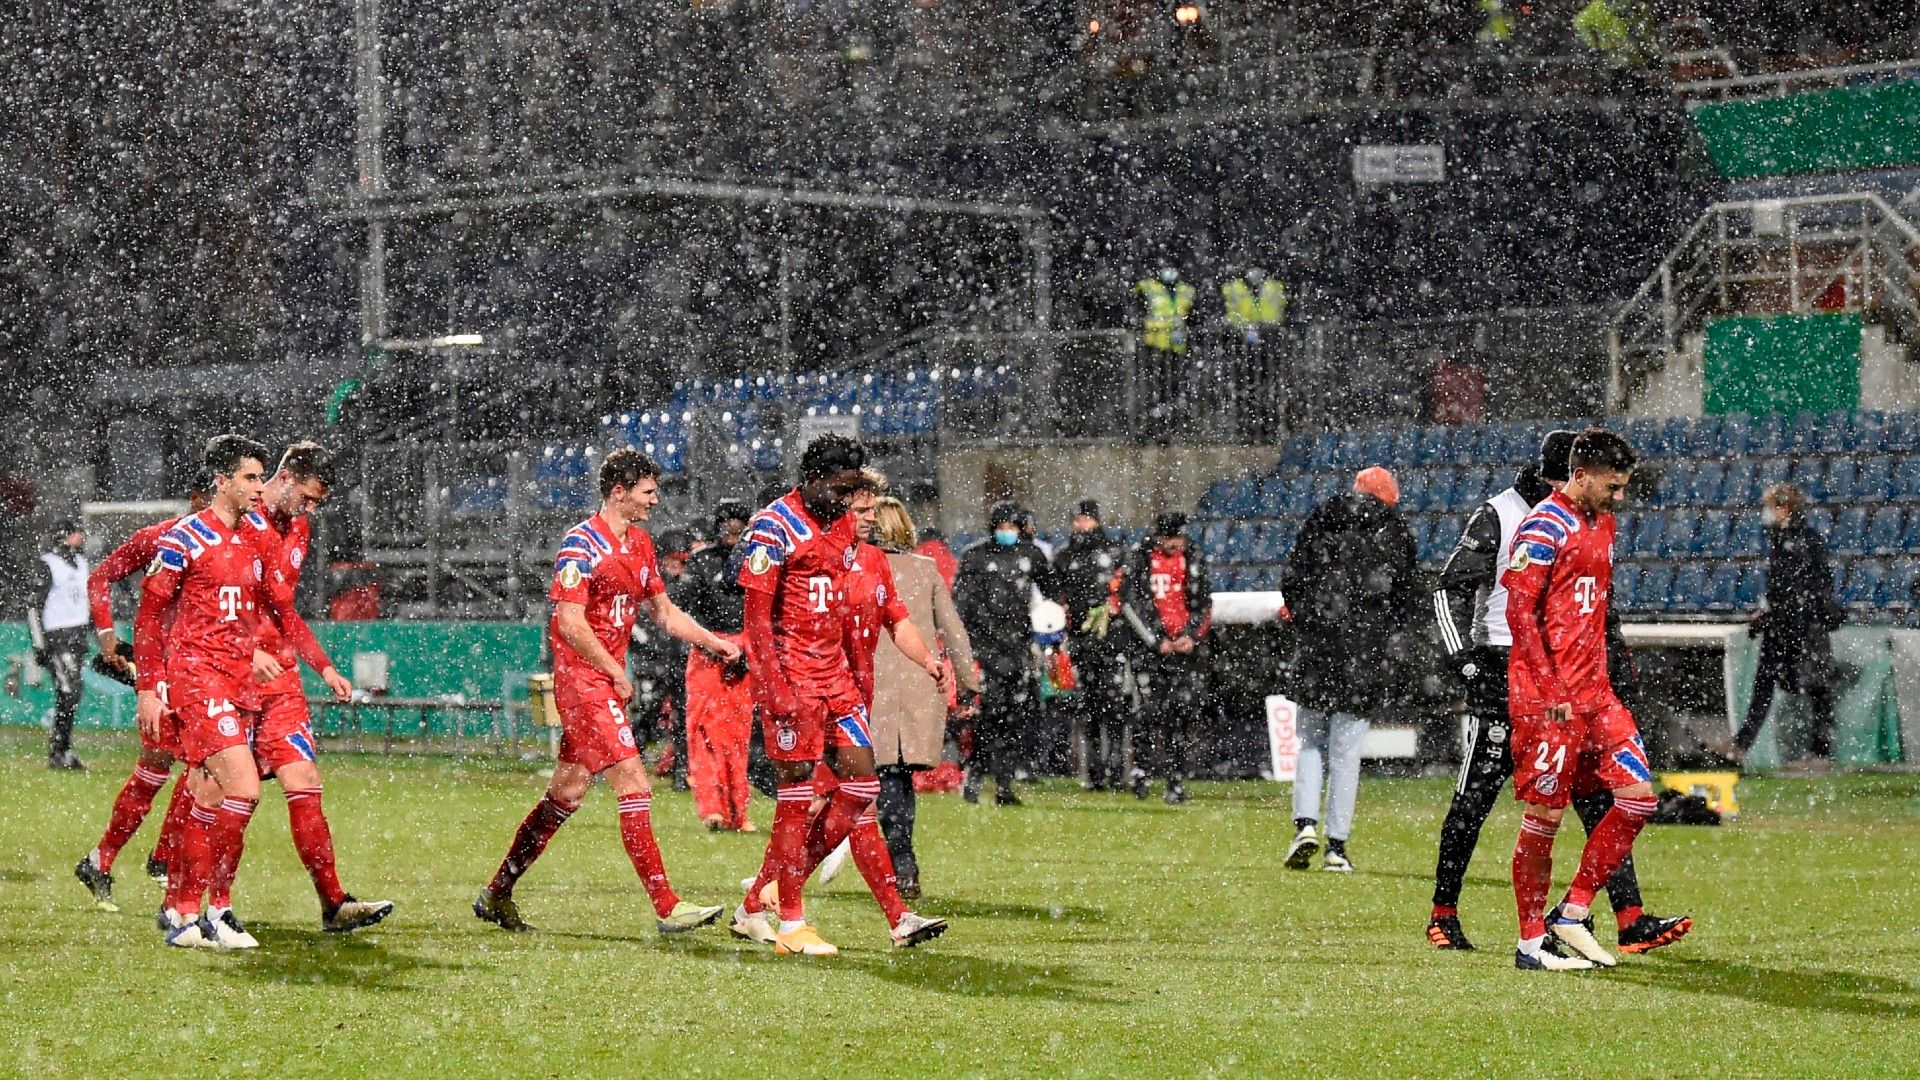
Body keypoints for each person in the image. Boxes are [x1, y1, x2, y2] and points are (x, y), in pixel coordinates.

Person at [1425, 431, 1689, 953]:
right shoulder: (1503, 515)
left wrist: (1617, 674)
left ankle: (1625, 917)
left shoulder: (1592, 520)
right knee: (1476, 799)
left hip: (1576, 679)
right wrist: (1465, 662)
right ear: (1565, 474)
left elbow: (1599, 607)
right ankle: (1445, 913)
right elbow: (1452, 588)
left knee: (1601, 800)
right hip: (1508, 669)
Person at [474, 448, 737, 936]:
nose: (655, 500)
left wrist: (713, 642)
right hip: (582, 684)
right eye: (648, 492)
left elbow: (664, 612)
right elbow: (570, 622)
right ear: (619, 492)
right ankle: (667, 906)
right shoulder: (580, 544)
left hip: (603, 682)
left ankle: (496, 892)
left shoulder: (640, 544)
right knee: (634, 782)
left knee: (566, 793)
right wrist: (614, 668)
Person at [134, 435, 347, 949]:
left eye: (260, 477)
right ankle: (211, 909)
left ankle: (188, 910)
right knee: (243, 789)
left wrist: (317, 665)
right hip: (198, 678)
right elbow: (151, 616)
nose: (259, 486)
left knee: (209, 792)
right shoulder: (184, 537)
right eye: (250, 478)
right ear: (222, 481)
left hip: (239, 683)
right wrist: (149, 687)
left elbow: (272, 612)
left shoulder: (255, 542)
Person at [1504, 428, 1663, 972]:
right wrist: (1550, 688)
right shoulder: (1543, 525)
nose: (1620, 496)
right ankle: (1530, 944)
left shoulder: (1605, 524)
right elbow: (1519, 613)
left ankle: (1571, 912)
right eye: (1612, 486)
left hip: (1596, 695)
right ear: (1581, 475)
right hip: (1548, 701)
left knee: (1639, 798)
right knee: (1544, 818)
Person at [727, 434, 885, 957]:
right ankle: (792, 921)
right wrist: (773, 687)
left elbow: (839, 605)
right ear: (813, 479)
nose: (847, 502)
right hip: (792, 676)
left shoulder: (844, 526)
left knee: (861, 785)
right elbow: (755, 619)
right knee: (795, 795)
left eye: (853, 492)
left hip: (835, 675)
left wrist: (856, 672)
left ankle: (758, 900)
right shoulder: (773, 526)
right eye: (840, 490)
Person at [235, 442, 393, 932]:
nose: (310, 509)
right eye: (307, 497)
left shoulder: (298, 529)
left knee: (304, 782)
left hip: (281, 679)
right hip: (233, 675)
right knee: (218, 792)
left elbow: (283, 609)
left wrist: (323, 667)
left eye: (317, 502)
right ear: (284, 477)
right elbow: (209, 606)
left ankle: (334, 904)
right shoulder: (238, 524)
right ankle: (191, 901)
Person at [818, 474, 952, 945]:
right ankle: (768, 896)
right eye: (862, 510)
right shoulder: (815, 558)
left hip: (856, 695)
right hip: (815, 693)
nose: (871, 518)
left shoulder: (873, 560)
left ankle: (897, 916)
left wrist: (929, 661)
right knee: (816, 799)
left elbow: (898, 620)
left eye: (873, 510)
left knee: (855, 796)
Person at [72, 491, 209, 911]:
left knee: (204, 764)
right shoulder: (164, 537)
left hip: (207, 670)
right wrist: (106, 636)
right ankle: (143, 859)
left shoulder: (241, 541)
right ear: (203, 495)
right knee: (176, 764)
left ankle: (130, 858)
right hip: (165, 669)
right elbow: (100, 577)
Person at [1279, 466, 1419, 872]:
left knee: (1309, 740)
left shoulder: (1322, 518)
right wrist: (1382, 637)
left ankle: (1305, 824)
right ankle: (1336, 847)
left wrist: (1310, 620)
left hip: (1318, 647)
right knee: (1346, 752)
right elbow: (1406, 596)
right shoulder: (1395, 531)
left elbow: (1292, 578)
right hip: (1364, 653)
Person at [866, 495, 977, 898]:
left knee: (874, 776)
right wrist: (968, 683)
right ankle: (903, 862)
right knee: (897, 777)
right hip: (918, 682)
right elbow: (954, 631)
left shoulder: (859, 567)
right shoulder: (926, 570)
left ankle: (891, 859)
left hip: (871, 684)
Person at [953, 500, 1058, 805]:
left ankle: (1003, 783)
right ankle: (975, 774)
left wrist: (1050, 627)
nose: (1007, 532)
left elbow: (1052, 591)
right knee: (987, 716)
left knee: (1014, 718)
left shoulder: (1031, 555)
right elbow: (962, 603)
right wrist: (973, 642)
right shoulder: (975, 556)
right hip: (985, 649)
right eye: (1002, 527)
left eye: (1012, 527)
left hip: (1018, 648)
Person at [1734, 483, 1845, 768]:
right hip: (1793, 624)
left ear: (1783, 509)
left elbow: (1795, 590)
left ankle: (1817, 752)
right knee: (1801, 686)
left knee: (1811, 687)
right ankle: (1744, 745)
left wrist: (1773, 617)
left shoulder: (1797, 542)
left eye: (1770, 507)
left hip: (1799, 626)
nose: (1766, 513)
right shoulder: (1791, 539)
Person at [674, 499, 756, 831]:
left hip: (743, 652)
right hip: (708, 653)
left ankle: (737, 811)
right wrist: (712, 643)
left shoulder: (756, 562)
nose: (732, 529)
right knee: (704, 732)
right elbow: (684, 608)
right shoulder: (703, 562)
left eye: (738, 523)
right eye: (727, 523)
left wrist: (745, 648)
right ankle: (713, 808)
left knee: (737, 736)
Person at [1119, 511, 1212, 804]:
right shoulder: (1141, 557)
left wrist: (1191, 636)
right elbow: (1129, 603)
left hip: (1182, 649)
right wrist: (1155, 640)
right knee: (1148, 712)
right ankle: (1142, 769)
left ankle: (1175, 779)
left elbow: (1204, 603)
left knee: (1180, 713)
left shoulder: (1193, 558)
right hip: (1149, 651)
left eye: (1179, 536)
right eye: (1171, 537)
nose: (1176, 543)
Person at [1055, 499, 1129, 791]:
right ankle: (1095, 772)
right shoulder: (1063, 557)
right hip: (1079, 641)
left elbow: (1129, 590)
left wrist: (1113, 606)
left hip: (1112, 641)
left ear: (1097, 521)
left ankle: (1117, 770)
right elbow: (1055, 595)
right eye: (1078, 520)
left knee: (1115, 708)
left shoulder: (1115, 553)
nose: (1083, 525)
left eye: (1087, 519)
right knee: (1088, 709)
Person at [31, 517, 91, 769]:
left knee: (71, 693)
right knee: (68, 691)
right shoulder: (49, 564)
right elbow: (34, 606)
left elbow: (86, 600)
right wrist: (39, 644)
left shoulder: (81, 563)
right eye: (76, 532)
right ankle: (59, 750)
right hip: (58, 637)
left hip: (76, 636)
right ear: (65, 536)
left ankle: (62, 749)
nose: (81, 536)